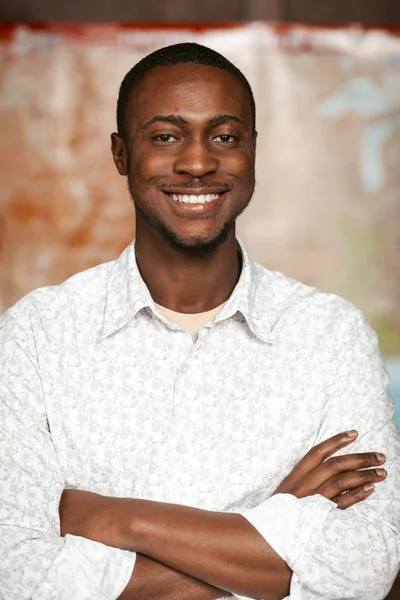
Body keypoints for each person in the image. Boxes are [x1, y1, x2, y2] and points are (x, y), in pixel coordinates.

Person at [0, 42, 399, 600]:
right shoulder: (37, 335)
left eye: (225, 136)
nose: (196, 161)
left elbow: (366, 568)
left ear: (253, 151)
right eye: (165, 136)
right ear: (120, 154)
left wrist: (118, 521)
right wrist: (268, 532)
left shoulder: (330, 335)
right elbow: (16, 575)